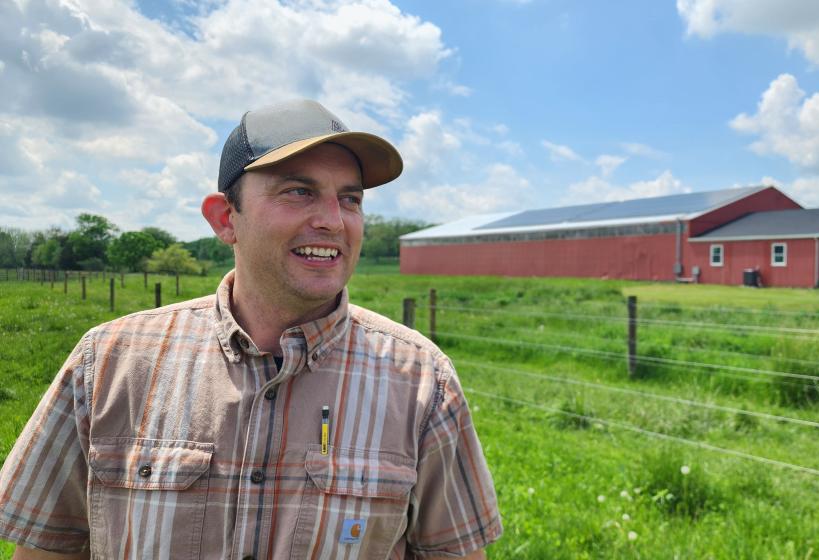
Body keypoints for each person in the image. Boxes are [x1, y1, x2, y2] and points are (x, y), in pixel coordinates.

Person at [0, 99, 502, 559]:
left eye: (350, 200)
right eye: (299, 192)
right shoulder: (107, 363)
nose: (333, 220)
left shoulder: (422, 381)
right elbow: (48, 548)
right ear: (225, 219)